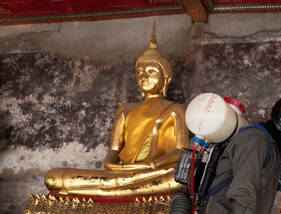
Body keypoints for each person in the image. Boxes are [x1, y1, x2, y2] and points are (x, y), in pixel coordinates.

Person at [44, 23, 188, 197]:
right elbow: (113, 151)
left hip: (155, 173)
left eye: (151, 71)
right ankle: (114, 188)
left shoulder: (176, 109)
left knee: (178, 178)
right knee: (53, 177)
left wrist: (151, 166)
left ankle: (108, 190)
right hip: (121, 174)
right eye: (140, 72)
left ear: (166, 77)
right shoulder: (126, 110)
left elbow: (181, 151)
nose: (144, 76)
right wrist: (109, 165)